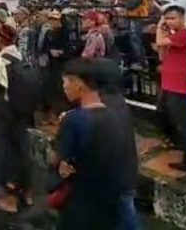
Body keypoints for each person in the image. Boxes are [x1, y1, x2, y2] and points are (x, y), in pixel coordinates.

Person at [51, 58, 138, 230]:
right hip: (117, 181)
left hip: (86, 197)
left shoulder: (78, 117)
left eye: (66, 82)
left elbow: (59, 157)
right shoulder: (116, 106)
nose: (64, 87)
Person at [0, 22, 34, 214]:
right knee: (22, 148)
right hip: (22, 111)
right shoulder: (19, 55)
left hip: (5, 111)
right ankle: (27, 191)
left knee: (6, 152)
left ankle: (10, 197)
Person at [155, 5, 186, 166]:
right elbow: (162, 53)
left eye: (172, 18)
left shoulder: (183, 35)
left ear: (182, 18)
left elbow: (159, 41)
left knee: (183, 124)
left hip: (178, 87)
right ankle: (177, 144)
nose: (169, 21)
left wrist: (160, 26)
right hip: (168, 84)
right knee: (165, 116)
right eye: (167, 18)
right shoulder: (174, 36)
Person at [119, 0, 149, 69]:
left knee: (135, 38)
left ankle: (140, 62)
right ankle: (141, 61)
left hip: (136, 14)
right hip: (137, 13)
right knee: (136, 38)